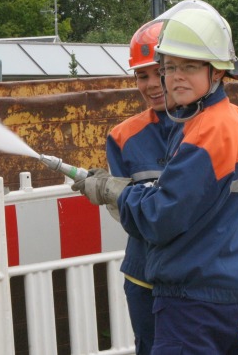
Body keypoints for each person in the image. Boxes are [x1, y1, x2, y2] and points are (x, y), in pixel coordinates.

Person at [75, 0, 238, 353]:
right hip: (208, 283)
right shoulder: (210, 120)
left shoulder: (207, 128)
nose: (165, 80)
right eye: (166, 68)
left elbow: (161, 215)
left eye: (187, 67)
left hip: (194, 294)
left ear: (217, 72)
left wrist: (112, 190)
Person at [73, 18, 175, 355]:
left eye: (159, 71)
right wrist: (112, 192)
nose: (151, 84)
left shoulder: (208, 127)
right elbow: (130, 215)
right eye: (141, 75)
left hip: (196, 279)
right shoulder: (123, 137)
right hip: (145, 277)